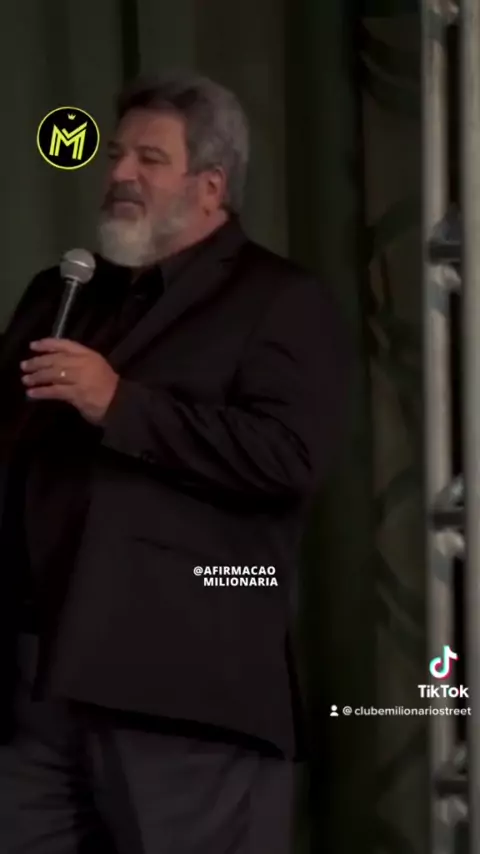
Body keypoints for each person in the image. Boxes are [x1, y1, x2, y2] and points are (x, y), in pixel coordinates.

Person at [0, 72, 350, 854]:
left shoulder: (276, 299)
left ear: (210, 185)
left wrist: (120, 404)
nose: (120, 173)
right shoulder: (62, 291)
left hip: (179, 688)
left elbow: (290, 456)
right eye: (115, 154)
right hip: (36, 681)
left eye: (149, 159)